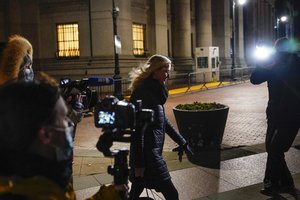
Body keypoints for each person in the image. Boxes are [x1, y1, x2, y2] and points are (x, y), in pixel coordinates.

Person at [0, 80, 126, 200]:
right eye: (64, 118)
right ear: (46, 134)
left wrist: (111, 194)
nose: (70, 123)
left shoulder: (40, 183)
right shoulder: (38, 191)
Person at [128, 54, 191, 200]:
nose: (167, 75)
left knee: (135, 192)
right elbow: (137, 132)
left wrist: (182, 141)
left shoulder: (154, 91)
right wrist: (138, 165)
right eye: (165, 70)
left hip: (149, 154)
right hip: (148, 157)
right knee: (172, 195)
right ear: (155, 71)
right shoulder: (144, 93)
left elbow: (163, 122)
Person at [250, 37, 300, 197]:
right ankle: (286, 183)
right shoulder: (273, 64)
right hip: (273, 113)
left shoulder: (297, 65)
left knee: (275, 149)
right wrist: (261, 63)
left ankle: (270, 183)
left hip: (292, 115)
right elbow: (254, 79)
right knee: (272, 149)